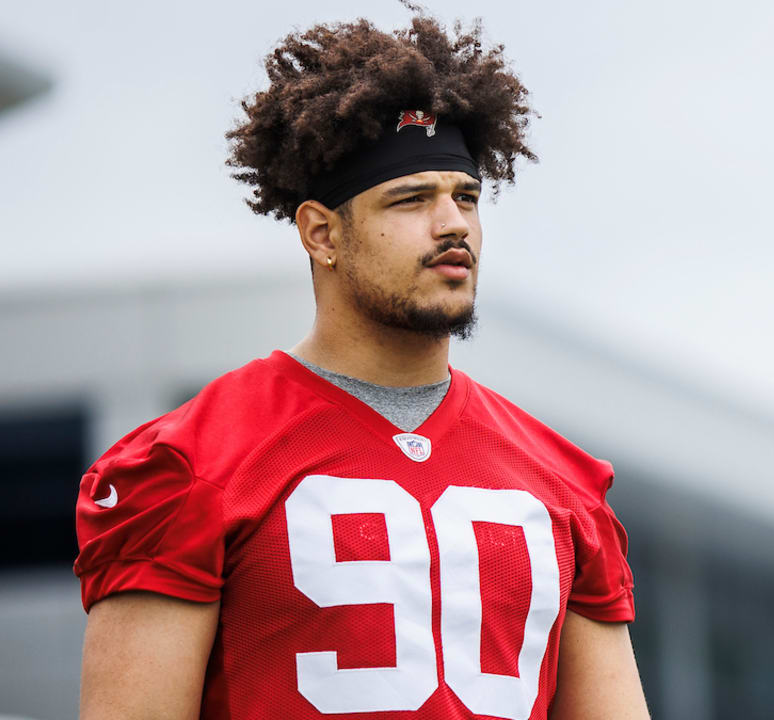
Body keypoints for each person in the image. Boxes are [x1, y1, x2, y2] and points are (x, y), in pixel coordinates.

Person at [73, 12, 648, 720]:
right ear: (321, 233)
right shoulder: (191, 463)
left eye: (465, 197)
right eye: (410, 200)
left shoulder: (565, 483)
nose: (453, 225)